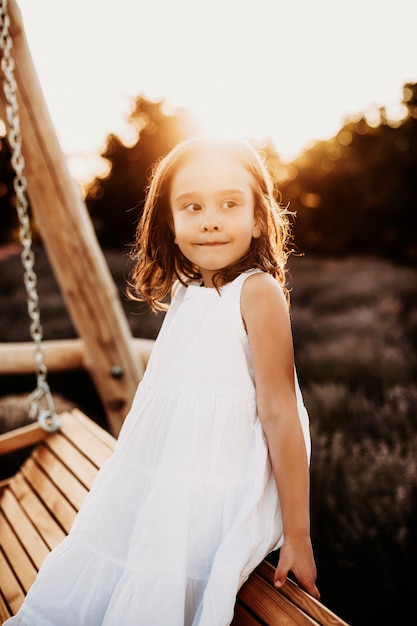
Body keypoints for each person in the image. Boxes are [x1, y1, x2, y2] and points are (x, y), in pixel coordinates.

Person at [5, 136, 319, 626]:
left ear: (259, 218)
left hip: (218, 493)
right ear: (171, 225)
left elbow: (280, 414)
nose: (210, 219)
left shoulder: (258, 293)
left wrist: (298, 537)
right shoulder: (187, 290)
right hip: (167, 485)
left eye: (229, 204)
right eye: (192, 206)